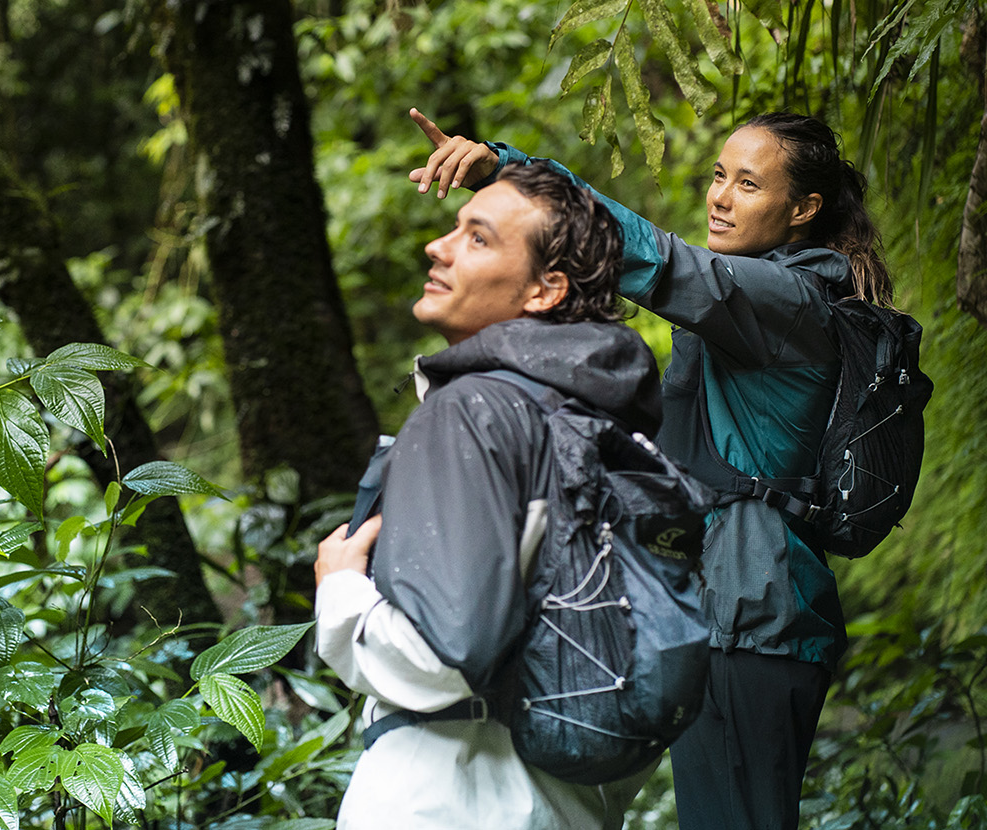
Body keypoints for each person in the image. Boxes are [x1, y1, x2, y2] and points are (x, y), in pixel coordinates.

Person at [406, 109, 893, 830]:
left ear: (803, 211)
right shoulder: (769, 296)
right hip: (738, 605)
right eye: (719, 176)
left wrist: (510, 173)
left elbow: (659, 261)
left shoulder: (784, 300)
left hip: (752, 609)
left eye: (749, 184)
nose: (721, 197)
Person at [314, 161, 661, 830]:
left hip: (442, 798)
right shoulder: (601, 420)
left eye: (478, 238)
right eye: (454, 230)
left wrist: (341, 590)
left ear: (543, 290)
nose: (437, 247)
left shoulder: (472, 412)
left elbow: (442, 653)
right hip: (566, 799)